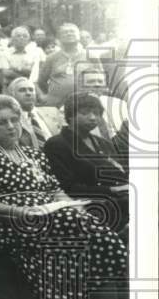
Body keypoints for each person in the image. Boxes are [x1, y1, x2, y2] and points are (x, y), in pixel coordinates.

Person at [0, 95, 128, 299]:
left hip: (54, 215)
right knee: (101, 246)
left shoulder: (34, 154)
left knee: (96, 248)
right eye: (2, 122)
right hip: (14, 221)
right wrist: (20, 211)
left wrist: (73, 205)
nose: (11, 126)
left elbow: (55, 190)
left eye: (14, 120)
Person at [43, 93, 129, 234]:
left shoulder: (104, 143)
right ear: (70, 116)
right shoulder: (57, 144)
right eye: (85, 113)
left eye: (96, 113)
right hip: (89, 201)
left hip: (120, 195)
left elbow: (122, 173)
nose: (93, 117)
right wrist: (112, 190)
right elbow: (68, 187)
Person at [38, 22, 96, 106]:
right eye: (65, 32)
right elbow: (41, 81)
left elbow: (101, 81)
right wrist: (45, 96)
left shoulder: (91, 57)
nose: (69, 33)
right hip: (57, 104)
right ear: (59, 38)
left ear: (79, 36)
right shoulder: (51, 58)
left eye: (72, 31)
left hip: (84, 105)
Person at [7, 77, 56, 150]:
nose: (28, 93)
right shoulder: (10, 119)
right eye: (22, 90)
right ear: (12, 95)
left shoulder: (52, 111)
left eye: (31, 90)